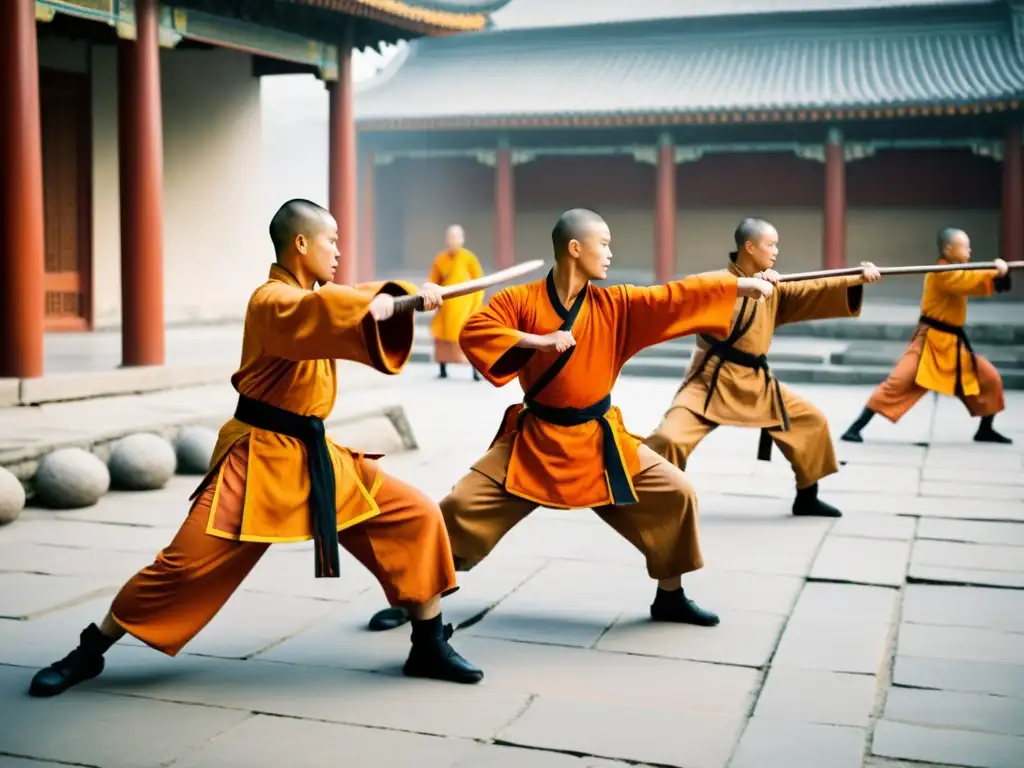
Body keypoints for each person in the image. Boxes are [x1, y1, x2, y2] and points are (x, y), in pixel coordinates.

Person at [27, 199, 483, 698]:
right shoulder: (271, 300)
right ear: (301, 243)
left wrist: (408, 299)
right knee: (183, 565)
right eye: (330, 240)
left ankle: (428, 644)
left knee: (416, 515)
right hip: (258, 457)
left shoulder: (318, 296)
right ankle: (89, 651)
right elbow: (322, 310)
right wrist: (386, 300)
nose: (337, 251)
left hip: (315, 455)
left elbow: (341, 301)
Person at [366, 208, 775, 634]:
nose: (611, 253)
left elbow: (674, 295)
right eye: (604, 244)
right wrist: (536, 341)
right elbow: (476, 330)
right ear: (575, 249)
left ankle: (670, 595)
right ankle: (414, 594)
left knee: (676, 493)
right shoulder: (519, 301)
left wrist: (741, 285)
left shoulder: (616, 304)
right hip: (535, 441)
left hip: (600, 444)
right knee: (458, 508)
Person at [643, 217, 882, 519]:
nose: (776, 251)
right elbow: (689, 290)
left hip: (757, 383)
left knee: (812, 422)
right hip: (711, 381)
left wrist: (855, 278)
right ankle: (656, 500)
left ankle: (807, 497)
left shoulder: (774, 287)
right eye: (771, 244)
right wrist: (742, 286)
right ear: (750, 246)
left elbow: (814, 286)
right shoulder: (717, 282)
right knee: (668, 438)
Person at [842, 227, 1012, 444]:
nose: (969, 251)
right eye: (965, 247)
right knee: (898, 382)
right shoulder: (941, 272)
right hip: (929, 341)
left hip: (953, 344)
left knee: (989, 378)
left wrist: (999, 273)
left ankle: (985, 429)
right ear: (949, 249)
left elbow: (970, 279)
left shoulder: (957, 269)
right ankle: (855, 428)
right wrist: (996, 271)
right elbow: (967, 280)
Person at [429, 225, 485, 381]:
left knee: (469, 337)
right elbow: (433, 282)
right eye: (450, 237)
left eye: (456, 237)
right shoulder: (440, 259)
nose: (453, 240)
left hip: (464, 305)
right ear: (446, 239)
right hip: (446, 305)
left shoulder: (469, 258)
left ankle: (475, 371)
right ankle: (443, 368)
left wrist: (476, 302)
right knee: (441, 335)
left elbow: (479, 281)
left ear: (462, 239)